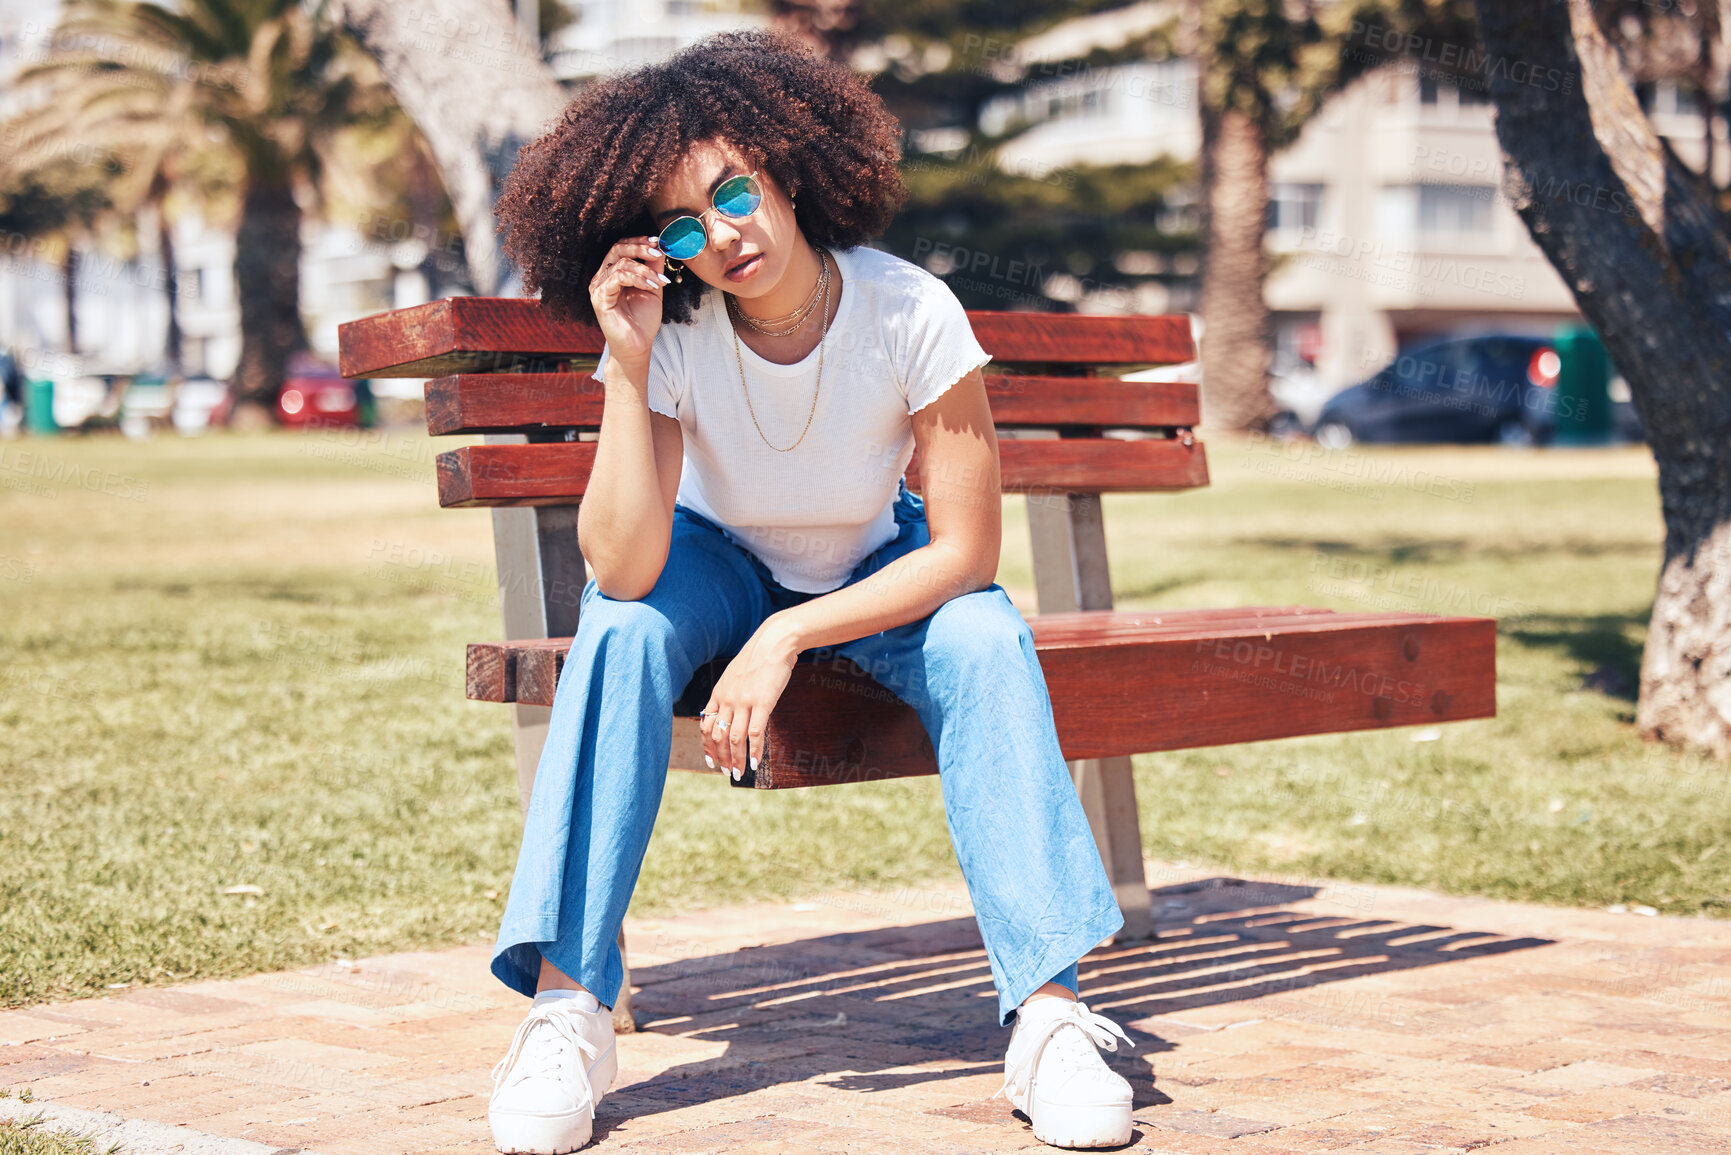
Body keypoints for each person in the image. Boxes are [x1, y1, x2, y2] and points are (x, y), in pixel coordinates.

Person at [483, 29, 1135, 1153]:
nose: (723, 233)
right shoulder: (671, 332)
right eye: (684, 223)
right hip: (713, 565)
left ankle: (1051, 1017)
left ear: (787, 168)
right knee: (622, 630)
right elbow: (626, 566)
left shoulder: (911, 309)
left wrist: (789, 632)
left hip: (882, 564)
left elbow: (968, 555)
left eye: (734, 191)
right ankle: (568, 1008)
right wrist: (629, 370)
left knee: (984, 639)